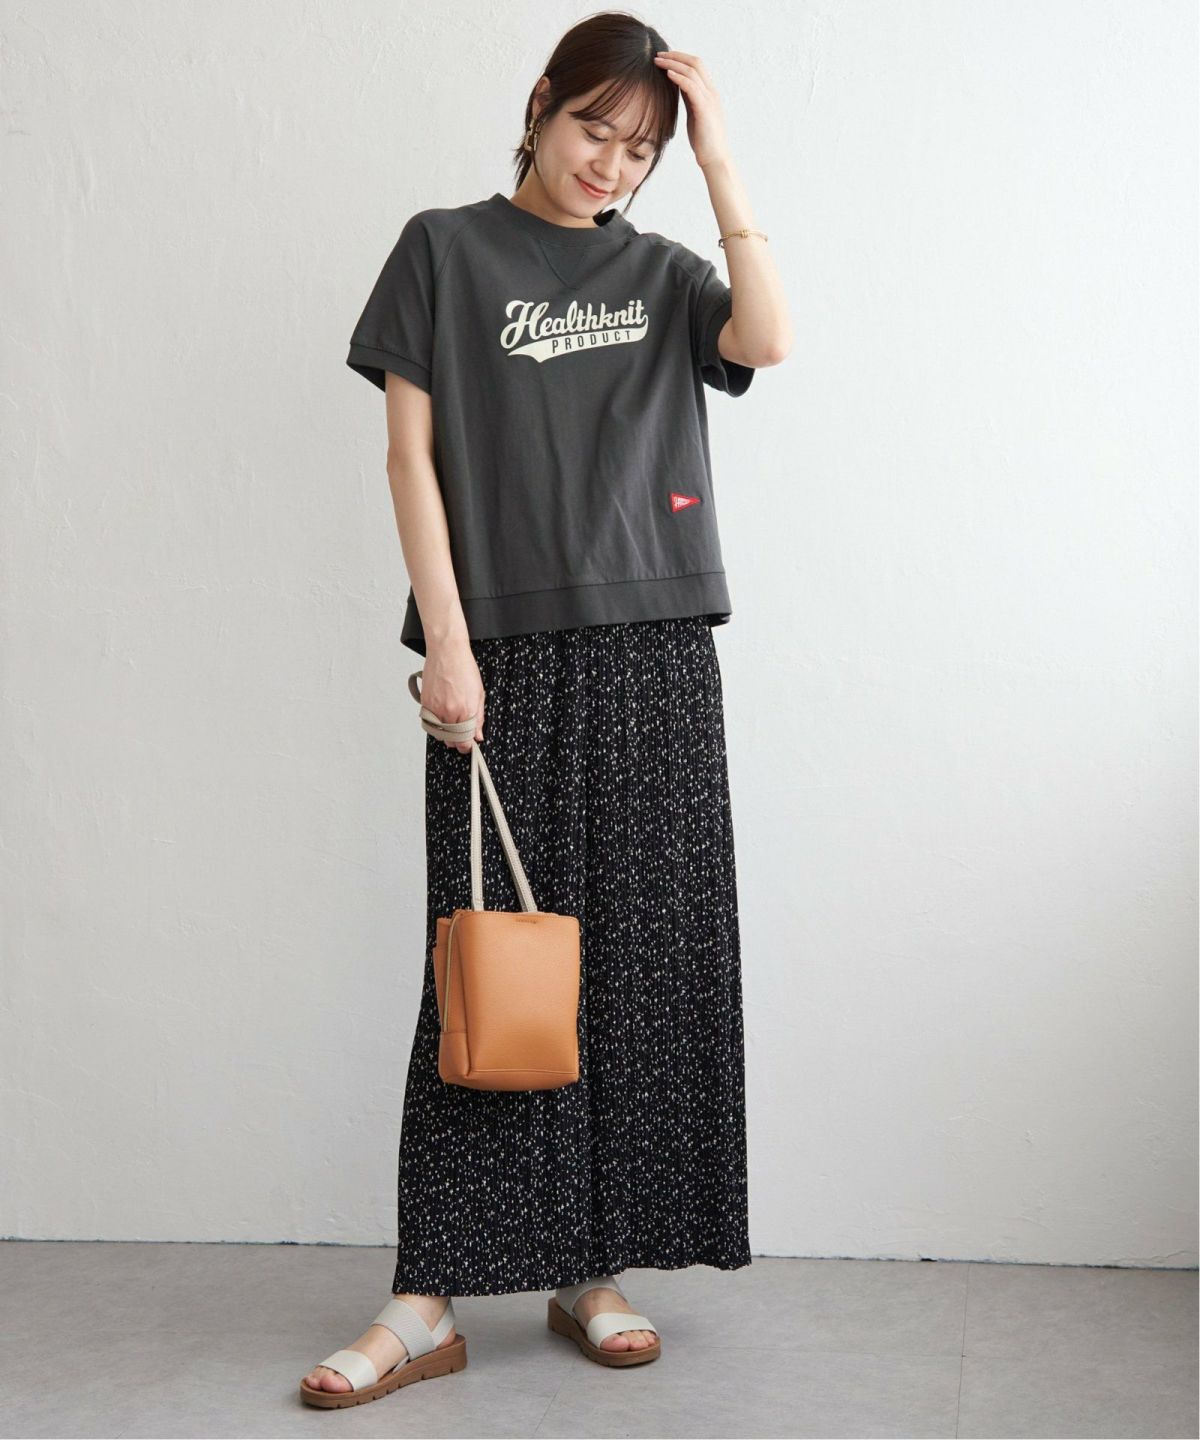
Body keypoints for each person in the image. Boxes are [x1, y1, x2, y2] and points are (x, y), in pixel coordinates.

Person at [300, 10, 791, 1409]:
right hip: (502, 656)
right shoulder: (443, 250)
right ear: (540, 105)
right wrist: (448, 646)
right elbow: (410, 460)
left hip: (655, 647)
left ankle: (593, 1270)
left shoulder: (663, 270)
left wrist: (718, 158)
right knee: (487, 973)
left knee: (631, 970)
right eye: (594, 129)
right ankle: (426, 1297)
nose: (609, 166)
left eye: (639, 151)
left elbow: (769, 337)